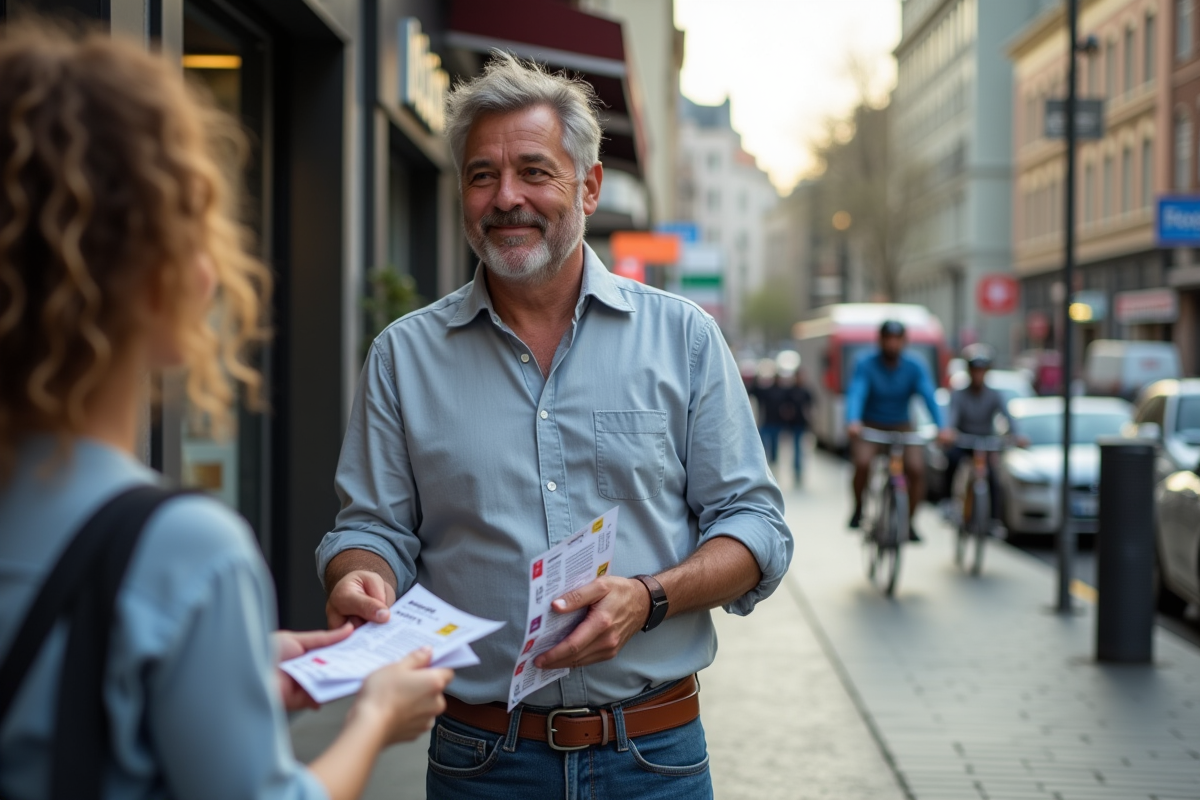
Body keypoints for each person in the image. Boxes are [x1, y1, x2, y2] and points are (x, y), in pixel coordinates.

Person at [317, 52, 793, 799]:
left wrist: (650, 596)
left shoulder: (683, 339)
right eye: (482, 175)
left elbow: (755, 525)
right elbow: (371, 528)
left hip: (653, 758)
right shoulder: (402, 357)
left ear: (589, 186)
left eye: (534, 171)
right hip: (482, 762)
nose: (507, 197)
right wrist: (359, 576)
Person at [0, 25, 450, 800]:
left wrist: (226, 669)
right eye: (197, 228)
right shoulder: (186, 554)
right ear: (153, 278)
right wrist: (375, 719)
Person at [845, 320, 949, 540]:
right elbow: (857, 392)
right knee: (862, 462)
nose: (892, 344)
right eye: (888, 339)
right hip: (870, 424)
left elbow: (928, 395)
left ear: (904, 342)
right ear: (880, 341)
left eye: (897, 340)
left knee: (916, 469)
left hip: (902, 426)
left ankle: (908, 521)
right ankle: (859, 507)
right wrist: (853, 420)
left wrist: (942, 427)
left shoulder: (915, 366)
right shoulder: (865, 363)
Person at [943, 345, 1024, 533]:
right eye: (975, 370)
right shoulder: (959, 394)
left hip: (985, 441)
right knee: (951, 459)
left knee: (993, 476)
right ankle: (947, 502)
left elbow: (1008, 417)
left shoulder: (994, 394)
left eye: (981, 370)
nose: (978, 374)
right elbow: (952, 417)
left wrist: (1017, 435)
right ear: (969, 371)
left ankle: (994, 520)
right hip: (964, 439)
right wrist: (949, 432)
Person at [777, 367, 813, 480]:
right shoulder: (790, 391)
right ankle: (796, 467)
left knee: (801, 447)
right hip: (792, 424)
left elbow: (810, 407)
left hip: (802, 423)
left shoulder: (806, 391)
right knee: (795, 446)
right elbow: (784, 406)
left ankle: (798, 468)